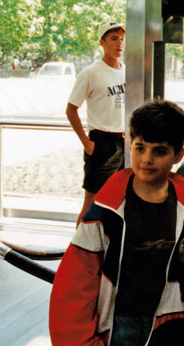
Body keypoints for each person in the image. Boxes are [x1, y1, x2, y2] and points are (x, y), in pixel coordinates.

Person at [50, 99, 184, 346]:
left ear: (178, 155)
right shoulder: (105, 213)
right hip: (116, 327)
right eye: (140, 147)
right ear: (130, 145)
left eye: (160, 151)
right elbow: (76, 283)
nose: (147, 159)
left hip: (169, 329)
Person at [67, 22, 126, 226]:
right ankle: (79, 252)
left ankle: (106, 247)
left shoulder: (127, 71)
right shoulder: (91, 73)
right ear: (102, 43)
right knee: (92, 202)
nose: (119, 43)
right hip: (101, 142)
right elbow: (71, 109)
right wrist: (87, 143)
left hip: (124, 142)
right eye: (113, 38)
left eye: (121, 39)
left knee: (117, 201)